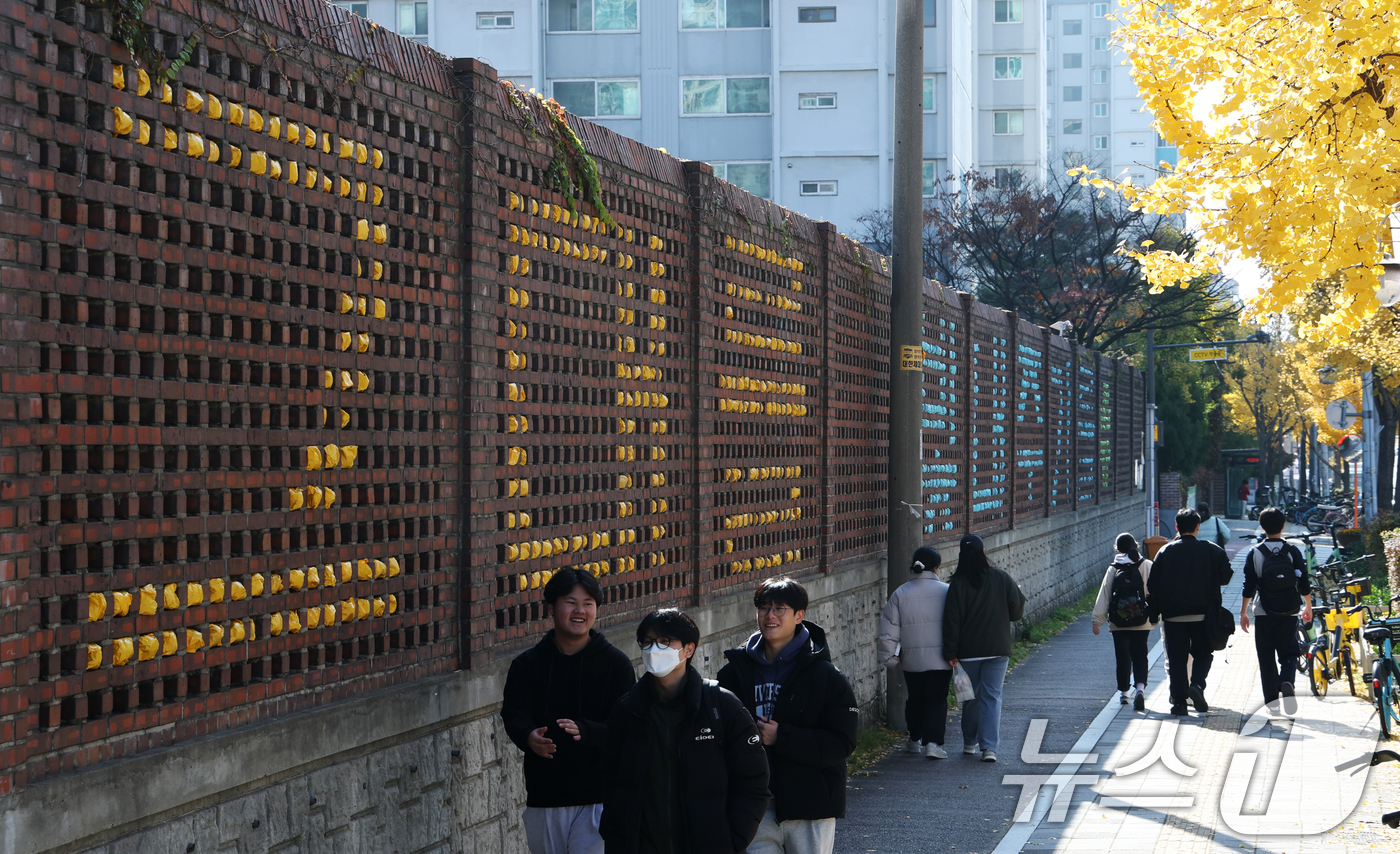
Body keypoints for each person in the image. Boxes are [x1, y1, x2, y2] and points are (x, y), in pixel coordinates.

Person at [599, 608, 770, 854]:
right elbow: (611, 779)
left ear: (688, 649)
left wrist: (730, 841)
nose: (653, 649)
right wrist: (617, 835)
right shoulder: (628, 710)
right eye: (647, 642)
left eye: (665, 642)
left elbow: (754, 781)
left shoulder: (721, 706)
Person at [717, 578, 858, 854]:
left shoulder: (827, 676)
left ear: (799, 615)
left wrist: (783, 737)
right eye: (764, 608)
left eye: (780, 608)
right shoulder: (733, 674)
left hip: (810, 807)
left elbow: (842, 742)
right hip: (753, 806)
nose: (770, 616)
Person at [501, 569, 638, 854]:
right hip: (545, 796)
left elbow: (627, 726)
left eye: (588, 603)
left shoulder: (616, 664)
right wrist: (528, 736)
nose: (580, 611)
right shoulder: (527, 665)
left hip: (599, 799)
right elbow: (514, 714)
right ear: (551, 608)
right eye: (570, 602)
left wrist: (587, 731)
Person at [942, 534, 1027, 763]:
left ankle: (970, 742)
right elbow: (1017, 611)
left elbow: (952, 621)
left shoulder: (957, 585)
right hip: (998, 649)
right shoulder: (1001, 578)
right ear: (983, 553)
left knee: (970, 697)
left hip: (967, 651)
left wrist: (950, 652)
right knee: (992, 696)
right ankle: (989, 748)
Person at [1146, 507, 1234, 716]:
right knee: (1203, 653)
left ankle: (1178, 702)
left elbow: (1153, 585)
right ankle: (1197, 685)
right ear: (1197, 527)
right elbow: (1226, 577)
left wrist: (1153, 614)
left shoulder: (1165, 551)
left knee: (1176, 658)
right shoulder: (1211, 550)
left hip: (1173, 616)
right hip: (1204, 614)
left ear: (1176, 527)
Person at [876, 546, 953, 758]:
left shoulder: (901, 593)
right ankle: (933, 744)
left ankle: (914, 738)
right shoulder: (947, 592)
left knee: (916, 699)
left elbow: (889, 629)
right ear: (936, 568)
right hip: (942, 659)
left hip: (911, 658)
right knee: (937, 700)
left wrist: (890, 657)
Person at [1239, 507, 1313, 714]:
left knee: (1266, 658)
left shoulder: (1255, 552)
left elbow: (1249, 584)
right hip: (1289, 611)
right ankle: (1287, 680)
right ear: (1283, 526)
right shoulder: (1292, 551)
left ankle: (1272, 705)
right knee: (1289, 652)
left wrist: (1243, 612)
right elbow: (1303, 581)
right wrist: (1308, 605)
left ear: (1262, 527)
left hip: (1264, 612)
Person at [1091, 533, 1157, 711]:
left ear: (1117, 549)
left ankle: (1125, 693)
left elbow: (1104, 594)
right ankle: (1141, 689)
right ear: (1135, 545)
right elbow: (1154, 592)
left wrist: (1098, 620)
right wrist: (1155, 616)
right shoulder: (1147, 565)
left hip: (1118, 622)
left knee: (1122, 656)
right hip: (1142, 621)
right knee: (1140, 654)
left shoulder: (1114, 568)